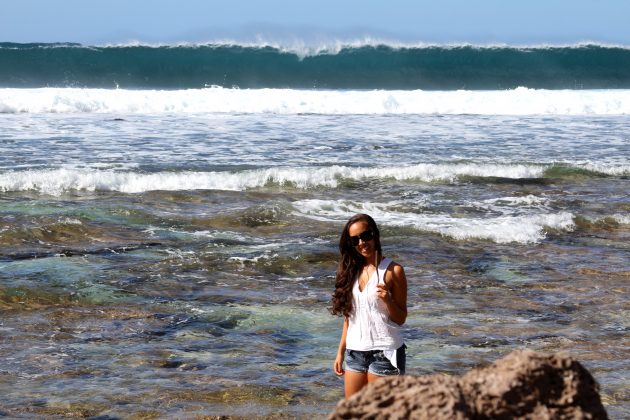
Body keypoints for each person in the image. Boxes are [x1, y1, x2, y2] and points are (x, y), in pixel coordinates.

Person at [331, 213, 408, 398]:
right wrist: (340, 352)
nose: (361, 243)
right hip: (355, 351)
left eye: (365, 236)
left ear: (375, 234)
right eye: (355, 239)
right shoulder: (351, 270)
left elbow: (400, 319)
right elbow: (349, 317)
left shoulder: (393, 270)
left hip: (385, 352)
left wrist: (387, 300)